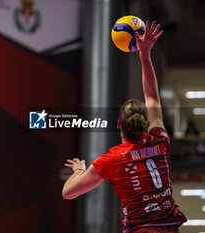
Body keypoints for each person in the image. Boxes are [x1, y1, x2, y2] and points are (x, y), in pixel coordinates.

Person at [62, 21, 187, 233]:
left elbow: (68, 193)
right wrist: (144, 54)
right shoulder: (160, 139)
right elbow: (152, 97)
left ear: (119, 124)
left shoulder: (111, 160)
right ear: (147, 125)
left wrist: (79, 171)